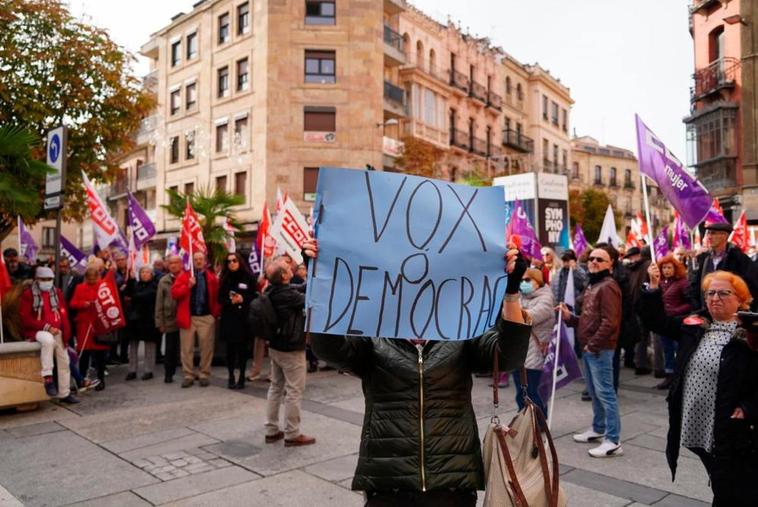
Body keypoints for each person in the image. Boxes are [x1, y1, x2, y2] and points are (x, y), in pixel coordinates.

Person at [307, 239, 531, 506]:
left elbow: (508, 357)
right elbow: (329, 349)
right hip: (388, 482)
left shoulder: (461, 331)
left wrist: (511, 290)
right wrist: (320, 283)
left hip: (451, 481)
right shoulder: (374, 334)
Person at [641, 268, 758, 505]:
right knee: (719, 475)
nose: (715, 298)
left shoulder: (751, 332)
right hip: (697, 421)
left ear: (740, 298)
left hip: (731, 426)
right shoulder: (696, 324)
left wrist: (748, 407)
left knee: (731, 485)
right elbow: (657, 321)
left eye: (724, 293)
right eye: (710, 293)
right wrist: (654, 288)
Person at [559, 246, 624, 458]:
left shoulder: (608, 286)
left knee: (605, 393)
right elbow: (588, 320)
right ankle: (598, 428)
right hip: (590, 348)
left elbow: (610, 323)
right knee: (595, 392)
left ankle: (613, 440)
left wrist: (592, 345)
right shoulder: (593, 284)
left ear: (610, 264)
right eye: (592, 258)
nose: (594, 261)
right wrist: (570, 317)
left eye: (600, 259)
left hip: (599, 349)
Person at [261, 257, 315, 446]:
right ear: (284, 275)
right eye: (286, 267)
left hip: (276, 346)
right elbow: (309, 300)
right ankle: (292, 434)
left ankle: (271, 430)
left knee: (276, 387)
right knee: (294, 391)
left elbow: (298, 290)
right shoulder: (287, 295)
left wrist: (310, 281)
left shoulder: (272, 290)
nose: (290, 266)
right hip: (291, 349)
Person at [19, 266, 78, 404]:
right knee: (48, 340)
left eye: (49, 279)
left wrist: (66, 334)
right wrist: (47, 327)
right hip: (38, 331)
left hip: (57, 331)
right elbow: (26, 318)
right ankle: (47, 377)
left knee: (64, 362)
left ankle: (64, 393)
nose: (47, 282)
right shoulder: (29, 294)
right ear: (37, 279)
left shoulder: (56, 292)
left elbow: (63, 312)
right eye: (43, 279)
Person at [171, 251, 220, 388]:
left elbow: (217, 296)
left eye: (201, 259)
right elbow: (174, 293)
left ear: (205, 261)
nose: (198, 261)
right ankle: (188, 374)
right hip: (189, 317)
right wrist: (188, 286)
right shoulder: (184, 276)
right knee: (186, 348)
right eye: (196, 259)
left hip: (206, 317)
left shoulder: (211, 277)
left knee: (207, 348)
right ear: (192, 261)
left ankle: (204, 373)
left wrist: (213, 314)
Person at [689, 222, 758, 312]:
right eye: (708, 233)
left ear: (724, 236)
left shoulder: (738, 258)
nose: (709, 237)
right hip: (707, 312)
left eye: (713, 233)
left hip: (731, 313)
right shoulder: (705, 258)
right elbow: (696, 285)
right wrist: (697, 307)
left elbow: (751, 285)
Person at [515, 268, 555, 416]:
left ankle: (538, 423)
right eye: (521, 280)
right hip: (518, 353)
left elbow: (527, 317)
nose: (523, 283)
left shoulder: (546, 298)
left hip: (534, 355)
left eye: (527, 280)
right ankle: (524, 420)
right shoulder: (520, 296)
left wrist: (514, 310)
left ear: (537, 282)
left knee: (533, 392)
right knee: (520, 393)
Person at [219, 252, 257, 389]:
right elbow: (220, 299)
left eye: (234, 260)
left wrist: (243, 299)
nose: (232, 263)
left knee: (242, 350)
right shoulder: (224, 278)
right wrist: (230, 301)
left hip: (243, 319)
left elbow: (254, 296)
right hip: (229, 318)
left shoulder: (249, 277)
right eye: (229, 261)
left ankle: (241, 376)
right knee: (230, 350)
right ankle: (230, 376)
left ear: (239, 261)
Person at [654, 254, 692, 390]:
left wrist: (675, 311)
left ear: (675, 268)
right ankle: (669, 376)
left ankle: (681, 377)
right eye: (664, 267)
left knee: (679, 349)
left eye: (669, 267)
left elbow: (690, 303)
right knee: (667, 350)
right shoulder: (660, 282)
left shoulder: (683, 282)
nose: (666, 270)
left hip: (678, 322)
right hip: (665, 322)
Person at [69, 267, 111, 391]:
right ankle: (81, 379)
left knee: (100, 355)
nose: (92, 281)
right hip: (84, 325)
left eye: (94, 279)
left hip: (99, 324)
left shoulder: (104, 287)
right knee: (84, 354)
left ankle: (100, 379)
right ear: (86, 278)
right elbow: (72, 303)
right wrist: (83, 304)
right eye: (90, 279)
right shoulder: (80, 287)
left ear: (98, 277)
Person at [125, 267, 160, 381]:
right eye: (142, 272)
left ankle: (148, 370)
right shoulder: (136, 284)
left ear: (151, 275)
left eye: (147, 272)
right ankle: (132, 370)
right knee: (133, 346)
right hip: (135, 320)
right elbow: (128, 293)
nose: (144, 274)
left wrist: (134, 296)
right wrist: (130, 280)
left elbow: (142, 296)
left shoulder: (154, 286)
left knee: (149, 345)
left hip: (148, 319)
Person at [156, 255, 182, 383]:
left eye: (176, 262)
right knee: (170, 348)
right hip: (169, 319)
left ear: (181, 264)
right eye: (171, 263)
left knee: (184, 348)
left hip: (184, 318)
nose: (173, 265)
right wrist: (160, 322)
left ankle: (187, 371)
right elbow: (159, 303)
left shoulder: (186, 278)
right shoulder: (163, 281)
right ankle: (168, 373)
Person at [551, 249, 588, 315]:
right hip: (561, 305)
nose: (565, 263)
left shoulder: (580, 271)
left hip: (574, 306)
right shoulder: (559, 272)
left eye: (567, 260)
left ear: (574, 260)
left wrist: (574, 270)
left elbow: (582, 286)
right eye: (564, 260)